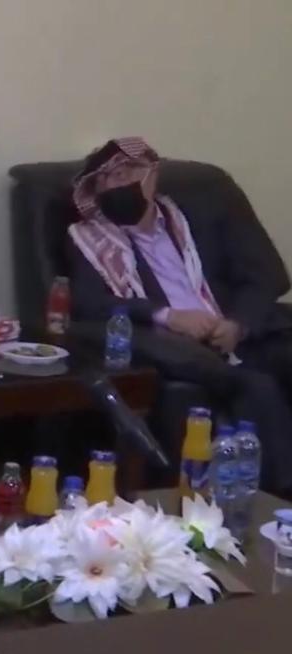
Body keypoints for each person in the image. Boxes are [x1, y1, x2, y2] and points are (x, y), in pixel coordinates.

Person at [66, 137, 292, 493]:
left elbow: (267, 274)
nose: (116, 183)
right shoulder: (91, 242)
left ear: (152, 175)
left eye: (127, 172)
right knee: (257, 388)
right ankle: (278, 501)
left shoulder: (200, 216)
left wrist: (239, 324)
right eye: (106, 179)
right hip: (182, 351)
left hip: (242, 334)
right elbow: (89, 305)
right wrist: (166, 316)